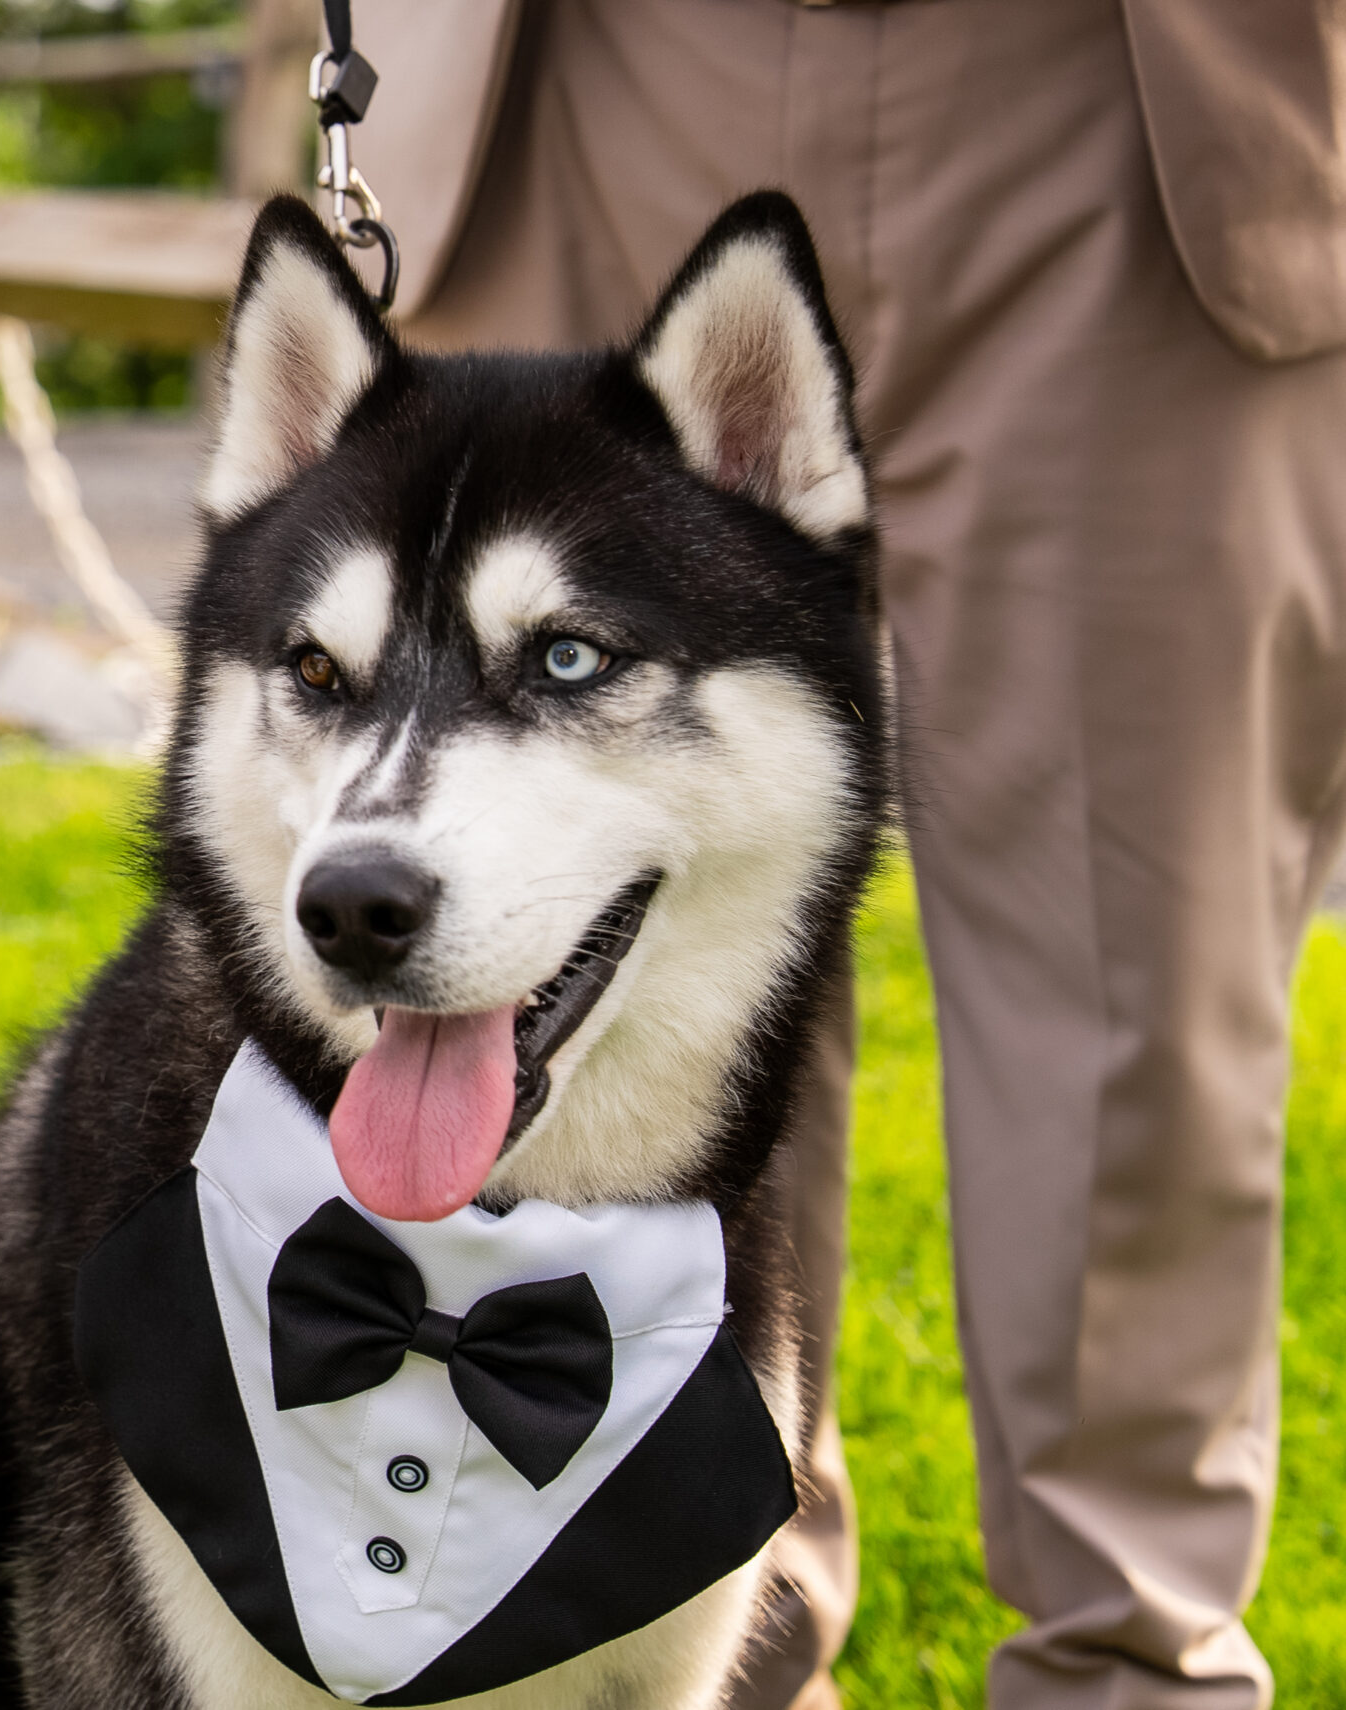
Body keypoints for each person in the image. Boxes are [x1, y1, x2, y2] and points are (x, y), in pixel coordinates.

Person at [354, 3, 1346, 1707]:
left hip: (1132, 94)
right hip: (597, 68)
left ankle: (1134, 1663)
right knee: (585, 951)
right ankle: (693, 1651)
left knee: (1139, 977)